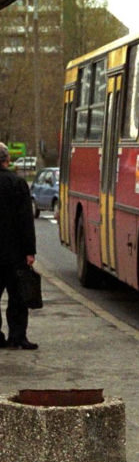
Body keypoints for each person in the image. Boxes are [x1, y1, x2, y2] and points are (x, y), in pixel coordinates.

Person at [0, 143, 38, 349]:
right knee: (17, 297)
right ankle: (17, 336)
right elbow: (26, 221)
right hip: (14, 254)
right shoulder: (18, 184)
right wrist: (29, 251)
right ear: (7, 161)